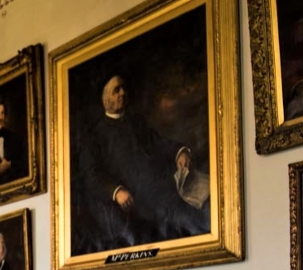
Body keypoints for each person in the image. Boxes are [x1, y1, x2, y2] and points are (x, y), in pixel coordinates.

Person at [74, 75, 206, 255]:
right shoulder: (94, 135)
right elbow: (92, 175)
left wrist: (180, 152)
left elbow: (159, 142)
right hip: (140, 202)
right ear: (106, 101)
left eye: (123, 88)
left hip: (165, 188)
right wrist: (116, 191)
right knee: (191, 225)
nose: (122, 93)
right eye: (116, 90)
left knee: (205, 208)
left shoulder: (136, 122)